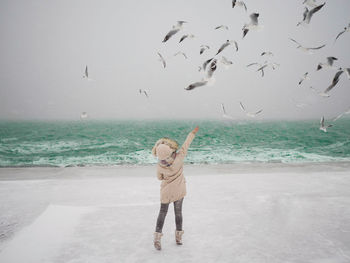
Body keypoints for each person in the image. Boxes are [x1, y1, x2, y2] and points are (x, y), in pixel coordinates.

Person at [151, 126, 199, 250]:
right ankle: (178, 237)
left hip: (166, 192)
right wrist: (192, 133)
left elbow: (159, 178)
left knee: (162, 213)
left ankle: (157, 237)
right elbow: (186, 145)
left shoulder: (160, 166)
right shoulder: (179, 158)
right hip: (179, 190)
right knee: (178, 213)